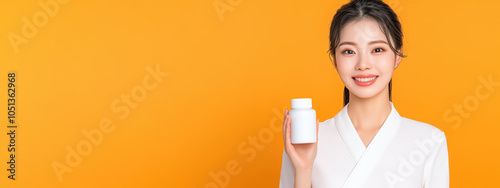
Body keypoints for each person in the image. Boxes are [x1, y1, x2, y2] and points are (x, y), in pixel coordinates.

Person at [279, 0, 450, 187]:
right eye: (349, 51)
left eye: (377, 49)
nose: (363, 64)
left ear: (397, 55)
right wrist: (303, 169)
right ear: (335, 60)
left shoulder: (429, 141)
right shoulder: (305, 140)